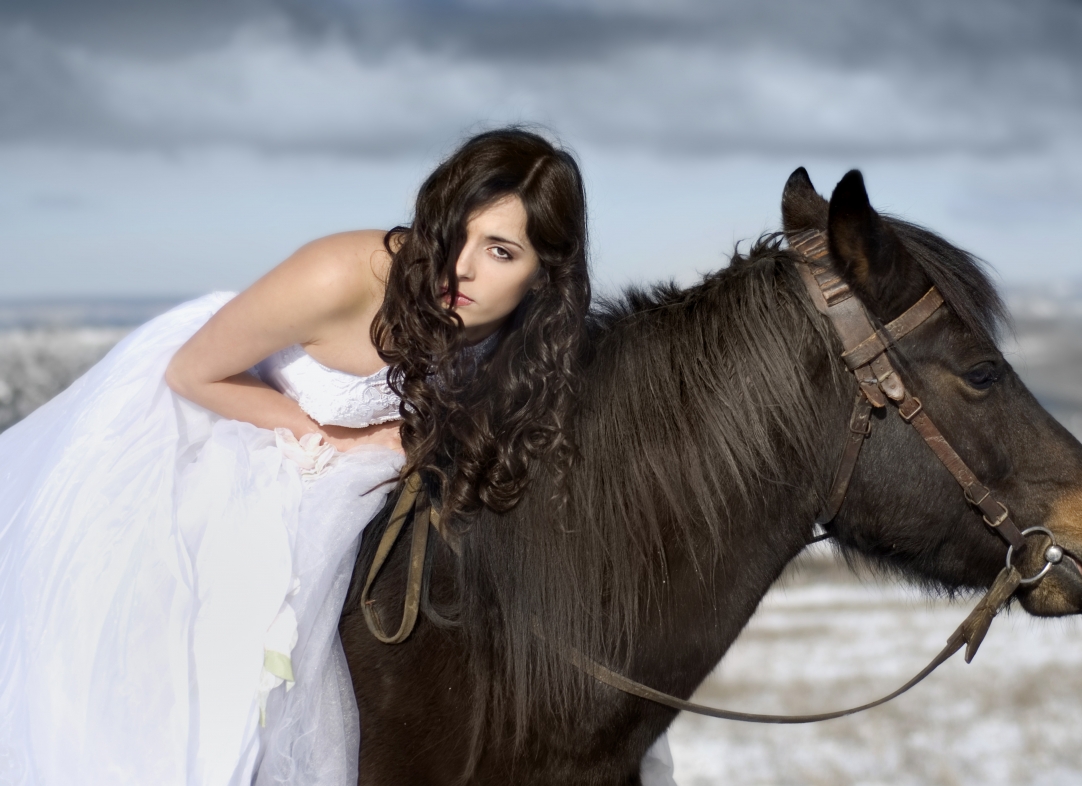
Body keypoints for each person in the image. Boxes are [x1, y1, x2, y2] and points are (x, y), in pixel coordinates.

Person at [0, 128, 674, 785]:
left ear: (541, 275)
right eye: (452, 233)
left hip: (348, 448)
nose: (459, 268)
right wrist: (339, 438)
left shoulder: (531, 340)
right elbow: (191, 375)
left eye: (500, 251)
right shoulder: (338, 278)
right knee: (206, 646)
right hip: (222, 417)